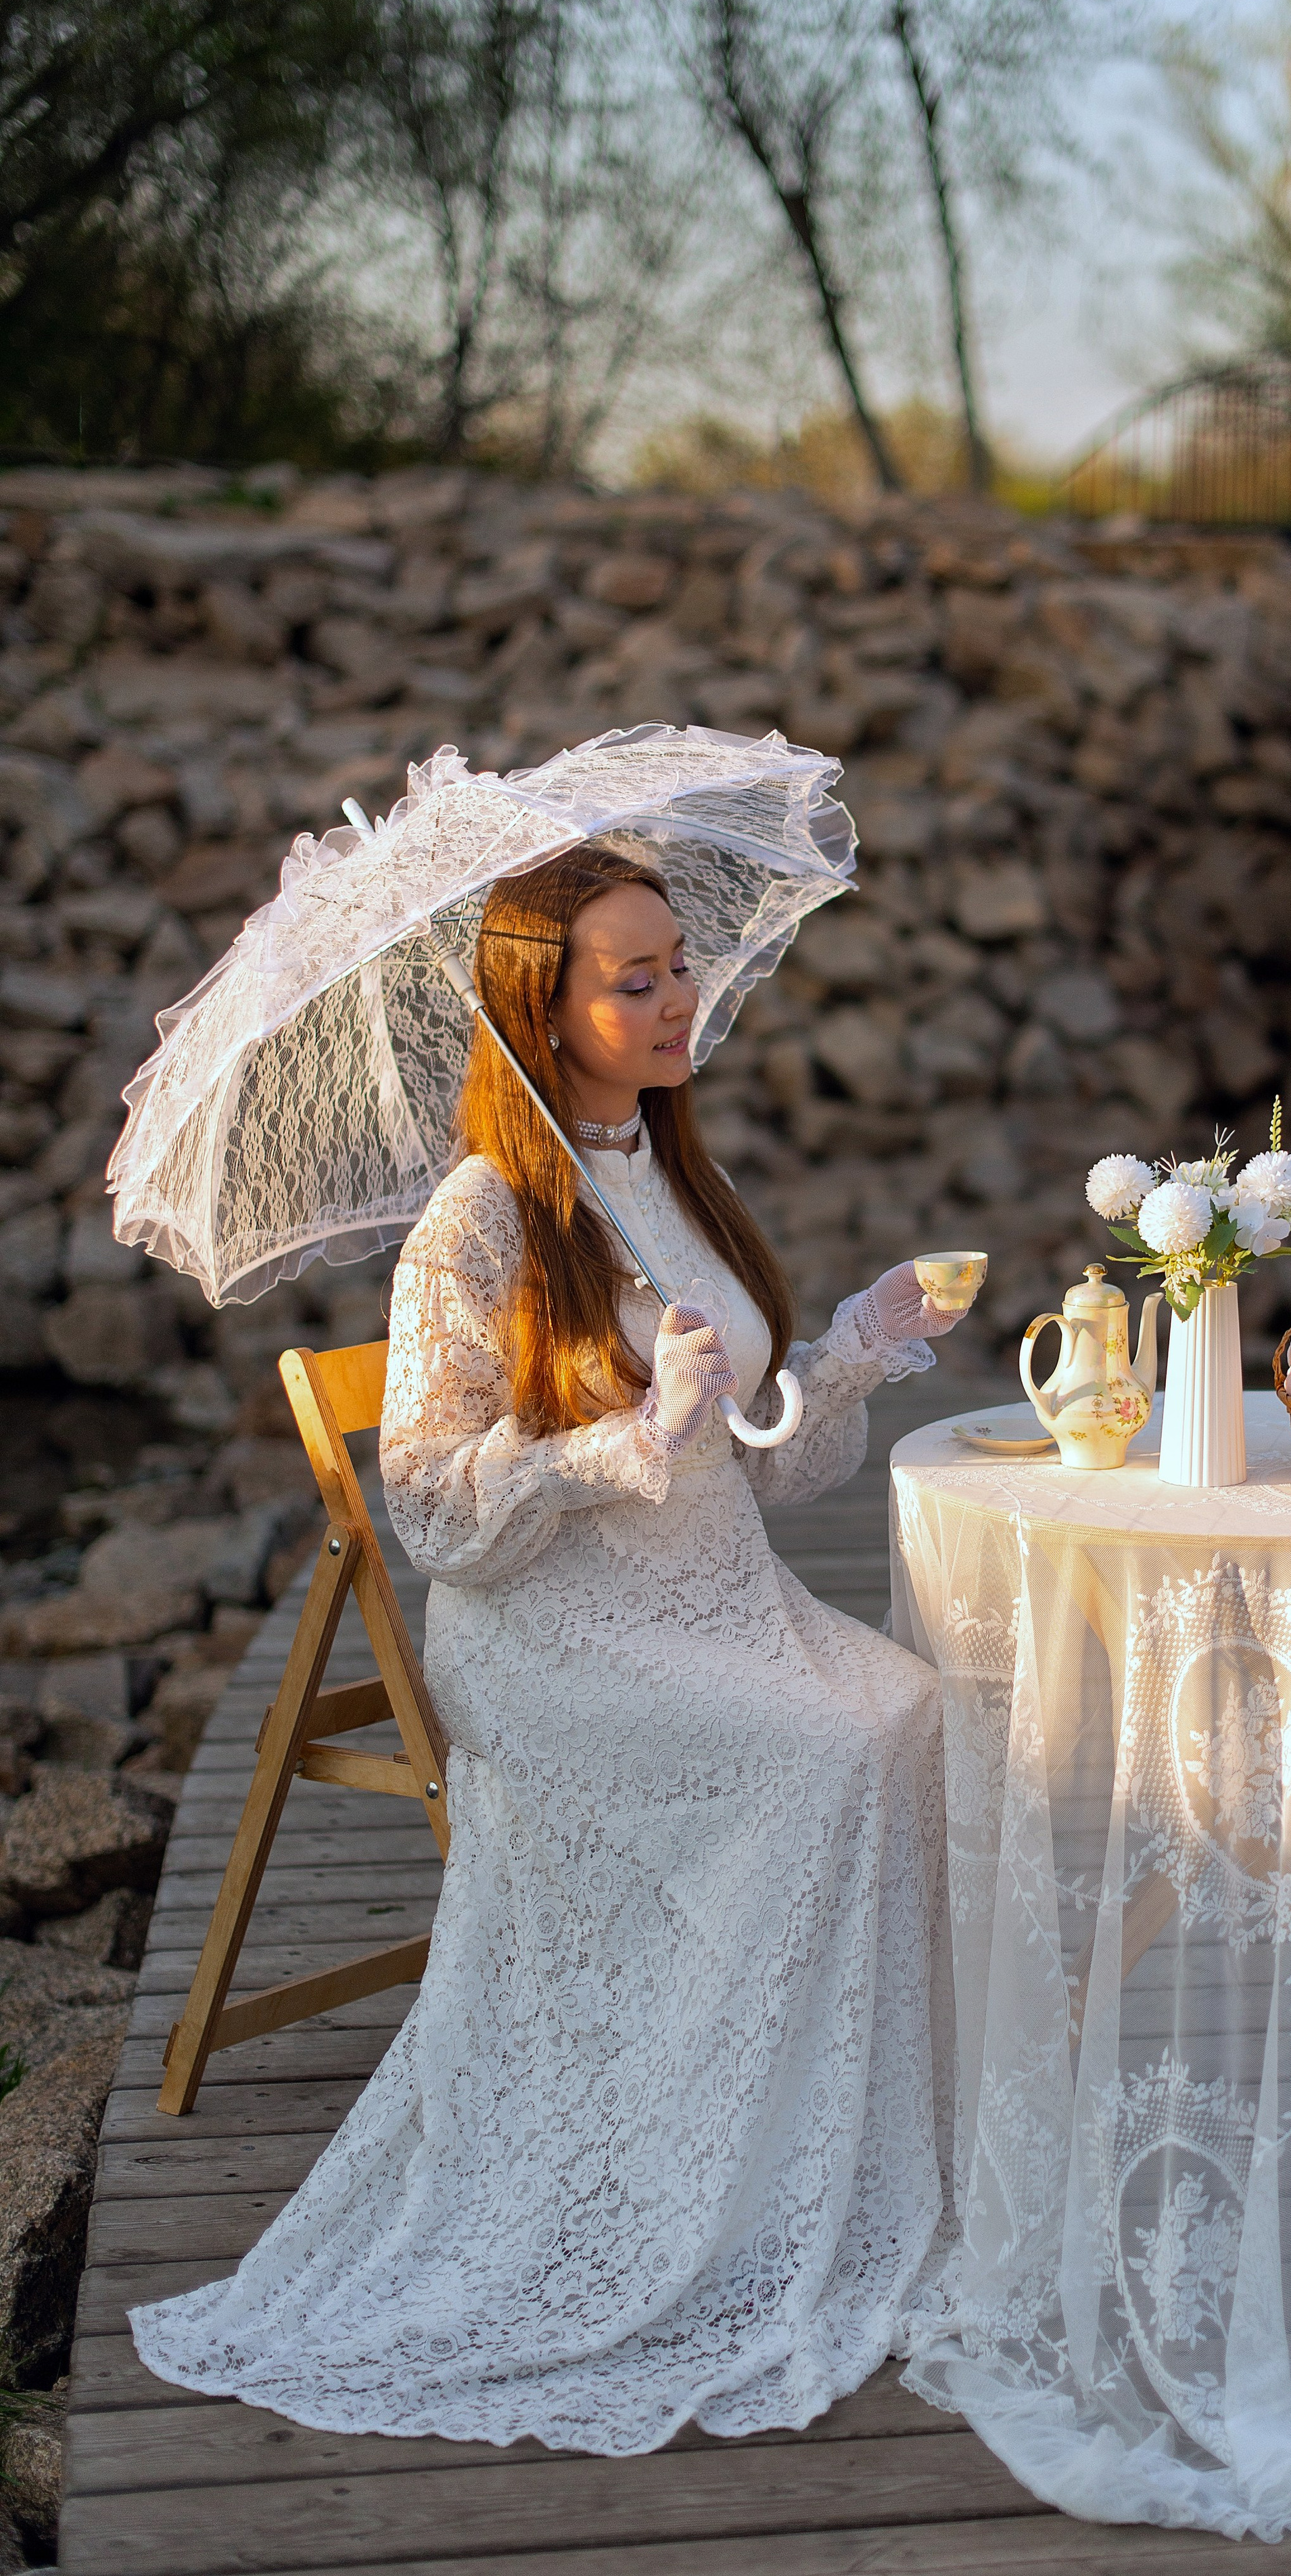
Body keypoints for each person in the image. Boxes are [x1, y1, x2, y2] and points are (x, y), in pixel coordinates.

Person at [131, 841, 974, 2452]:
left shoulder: (674, 1177)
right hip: (553, 1631)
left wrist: (857, 1345)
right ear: (543, 1009)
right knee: (826, 1755)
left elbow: (768, 1461)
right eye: (633, 978)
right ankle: (696, 2179)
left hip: (721, 1602)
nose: (676, 999)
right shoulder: (479, 1219)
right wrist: (622, 1441)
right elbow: (434, 1507)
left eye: (679, 965)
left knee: (912, 1712)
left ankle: (816, 2157)